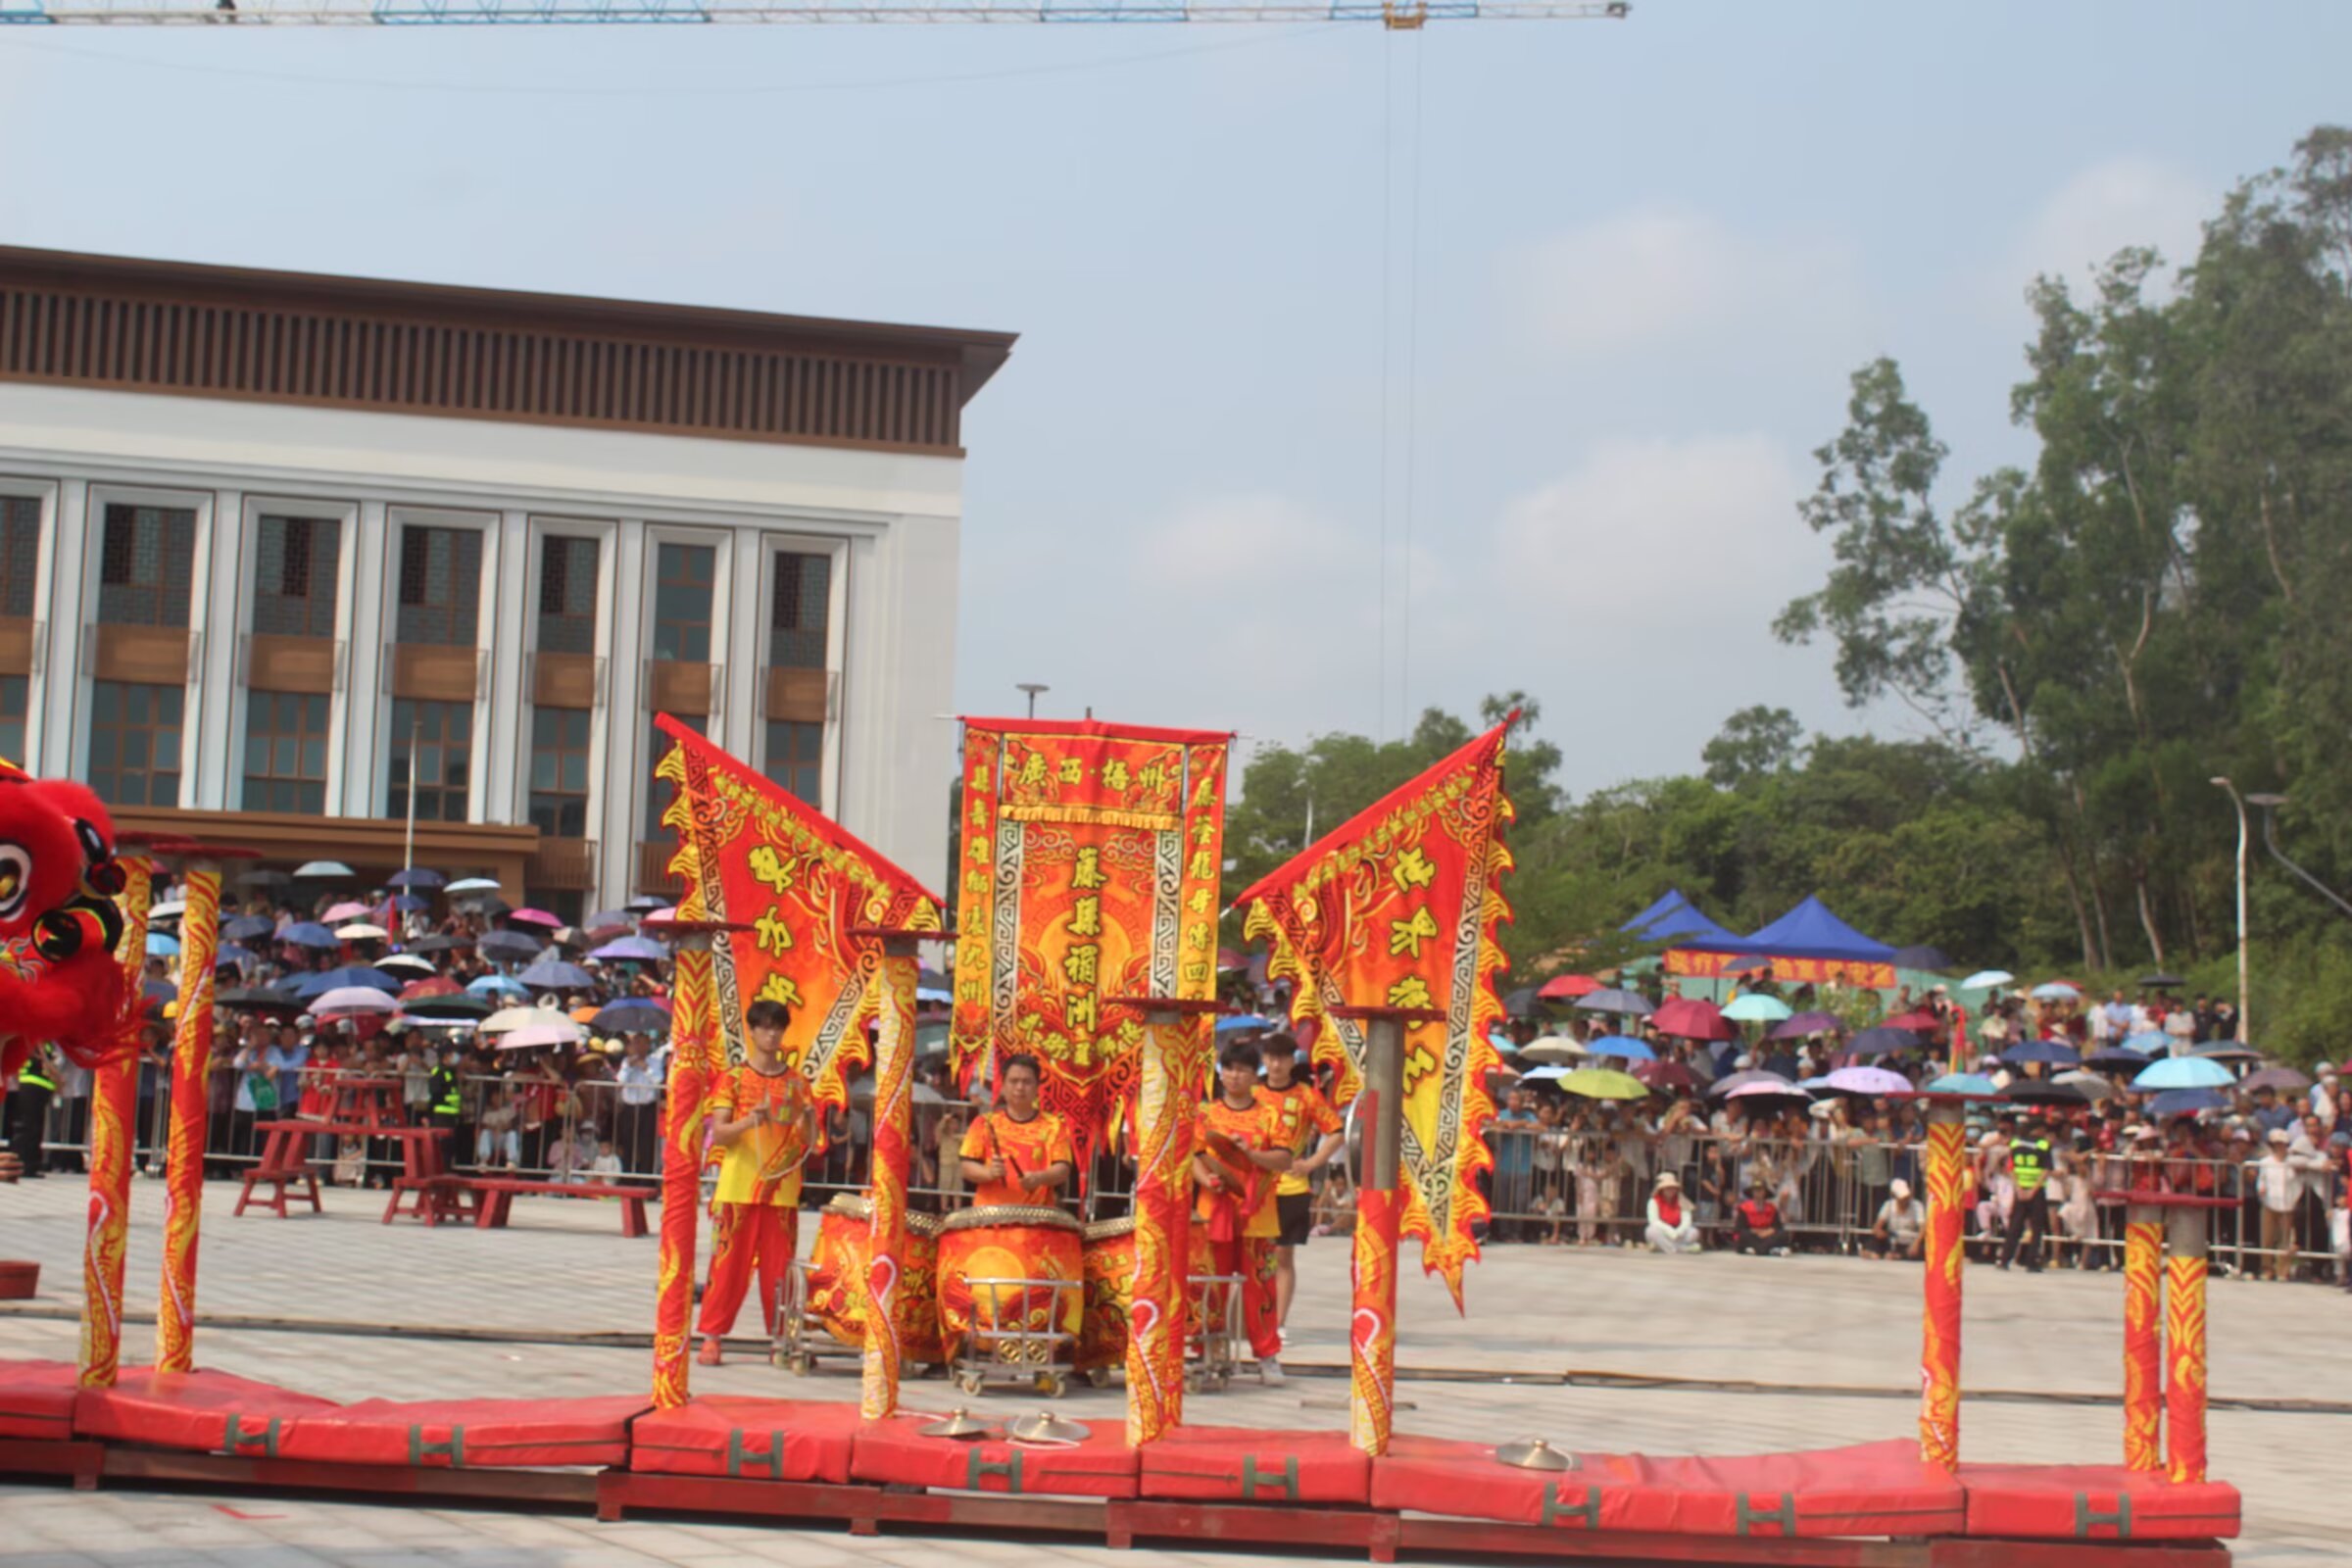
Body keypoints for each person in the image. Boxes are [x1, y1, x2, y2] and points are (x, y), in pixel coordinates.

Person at [697, 998, 814, 1366]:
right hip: (738, 1186)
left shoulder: (797, 1082)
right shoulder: (732, 1078)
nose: (771, 1034)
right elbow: (719, 1133)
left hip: (782, 1188)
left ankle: (780, 1338)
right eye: (764, 1027)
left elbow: (809, 1140)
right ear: (751, 1031)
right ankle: (712, 1336)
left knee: (779, 1269)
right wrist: (750, 1121)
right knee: (728, 1264)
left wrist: (809, 1117)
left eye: (777, 1027)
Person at [1193, 1040, 1295, 1385]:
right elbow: (1194, 1156)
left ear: (1255, 1076)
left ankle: (1267, 1356)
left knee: (1260, 1289)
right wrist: (1208, 1179)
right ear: (1221, 1073)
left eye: (1243, 1070)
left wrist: (1251, 1155)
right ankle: (1207, 1350)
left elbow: (1285, 1159)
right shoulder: (1206, 1114)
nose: (1235, 1076)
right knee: (1211, 1285)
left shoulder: (1270, 1115)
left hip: (1259, 1217)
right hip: (1213, 1212)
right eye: (1229, 1069)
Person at [1257, 1035, 1343, 1329]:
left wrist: (1312, 1162)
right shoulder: (1253, 1092)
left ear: (1292, 1061)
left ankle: (1278, 1323)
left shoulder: (1306, 1095)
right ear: (1264, 1059)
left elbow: (1336, 1131)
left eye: (1282, 1058)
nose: (1276, 1064)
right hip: (1255, 1185)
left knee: (1283, 1254)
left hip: (1291, 1186)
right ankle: (1252, 1318)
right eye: (1271, 1057)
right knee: (1254, 1255)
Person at [956, 1053, 1073, 1207]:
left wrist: (1039, 1178)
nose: (1020, 1087)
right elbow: (966, 1167)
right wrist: (989, 1173)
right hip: (991, 1213)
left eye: (1027, 1082)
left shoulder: (1054, 1125)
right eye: (1014, 1081)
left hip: (1036, 1213)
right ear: (1003, 1086)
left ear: (1037, 1087)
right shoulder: (984, 1122)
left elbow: (1063, 1169)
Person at [1999, 1115, 2054, 1273]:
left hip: (2020, 1189)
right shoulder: (2044, 1145)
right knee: (2036, 1228)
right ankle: (2031, 1262)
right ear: (2040, 1129)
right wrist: (2033, 1190)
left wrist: (2019, 1189)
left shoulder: (2015, 1143)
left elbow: (2010, 1167)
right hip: (2036, 1191)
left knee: (2015, 1226)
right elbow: (2046, 1170)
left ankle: (2005, 1259)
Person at [1870, 1177, 1925, 1260]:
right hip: (1892, 1240)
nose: (1905, 1201)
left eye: (1906, 1198)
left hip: (1911, 1240)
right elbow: (1877, 1226)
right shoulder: (1888, 1205)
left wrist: (1917, 1243)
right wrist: (1880, 1232)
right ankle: (1875, 1253)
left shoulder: (1917, 1205)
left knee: (1920, 1250)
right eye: (1902, 1199)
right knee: (1874, 1241)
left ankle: (1898, 1256)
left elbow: (1923, 1228)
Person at [1644, 1170, 1699, 1253]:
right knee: (1651, 1231)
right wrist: (1670, 1231)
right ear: (1662, 1189)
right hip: (1663, 1231)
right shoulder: (1653, 1202)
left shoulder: (1682, 1201)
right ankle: (1681, 1249)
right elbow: (1654, 1221)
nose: (1670, 1190)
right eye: (1667, 1188)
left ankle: (1662, 1247)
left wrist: (1678, 1232)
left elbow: (1686, 1221)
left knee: (1694, 1232)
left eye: (1673, 1188)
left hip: (1679, 1233)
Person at [1734, 1179, 1789, 1255]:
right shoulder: (1744, 1208)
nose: (1758, 1193)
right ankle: (1769, 1250)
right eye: (1756, 1190)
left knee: (1782, 1235)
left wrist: (1766, 1232)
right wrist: (1756, 1231)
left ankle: (1756, 1250)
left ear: (1765, 1192)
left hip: (1767, 1235)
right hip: (1753, 1235)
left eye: (1760, 1190)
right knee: (1743, 1235)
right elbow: (1739, 1228)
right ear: (1752, 1192)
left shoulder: (1771, 1208)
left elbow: (1777, 1226)